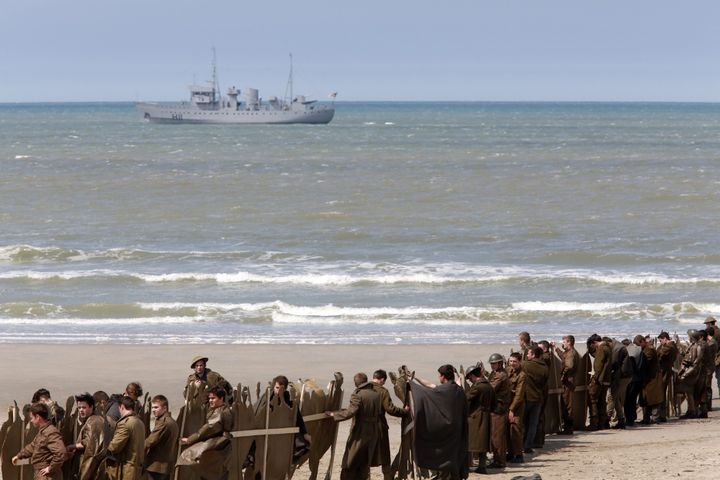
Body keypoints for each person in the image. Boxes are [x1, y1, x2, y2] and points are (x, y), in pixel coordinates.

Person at [326, 373, 382, 480]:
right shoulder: (376, 394)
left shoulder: (358, 394)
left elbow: (351, 412)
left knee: (351, 461)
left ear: (357, 383)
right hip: (373, 431)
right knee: (365, 461)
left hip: (360, 431)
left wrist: (334, 415)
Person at [180, 385, 233, 478]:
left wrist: (189, 440)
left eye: (213, 398)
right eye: (209, 398)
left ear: (221, 398)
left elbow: (208, 428)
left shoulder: (220, 413)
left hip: (218, 446)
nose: (210, 400)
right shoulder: (219, 409)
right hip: (219, 447)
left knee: (189, 456)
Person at [12, 403, 66, 480]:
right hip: (42, 474)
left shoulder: (51, 432)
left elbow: (61, 453)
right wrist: (19, 456)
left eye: (32, 418)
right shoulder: (43, 431)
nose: (31, 421)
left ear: (37, 417)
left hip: (48, 476)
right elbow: (32, 446)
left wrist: (50, 468)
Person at [371, 369, 408, 480]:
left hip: (363, 428)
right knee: (385, 456)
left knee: (365, 455)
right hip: (379, 427)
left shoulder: (362, 389)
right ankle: (388, 477)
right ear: (382, 379)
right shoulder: (383, 391)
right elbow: (390, 409)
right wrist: (404, 412)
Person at [66, 393, 107, 480]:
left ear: (91, 407)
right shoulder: (97, 419)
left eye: (84, 407)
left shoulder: (92, 422)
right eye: (79, 408)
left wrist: (72, 446)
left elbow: (88, 444)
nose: (81, 410)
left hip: (91, 466)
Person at [107, 396, 145, 480]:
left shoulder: (125, 423)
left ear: (122, 407)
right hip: (136, 468)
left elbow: (114, 447)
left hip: (127, 470)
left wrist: (102, 448)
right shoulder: (139, 422)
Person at [464, 362, 493, 474]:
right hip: (485, 415)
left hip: (475, 417)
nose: (469, 380)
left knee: (469, 442)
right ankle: (482, 466)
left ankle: (467, 466)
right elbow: (494, 402)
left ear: (472, 375)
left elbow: (467, 399)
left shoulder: (478, 387)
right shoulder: (488, 385)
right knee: (482, 443)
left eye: (469, 377)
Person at [144, 395, 179, 480]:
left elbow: (149, 442)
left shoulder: (163, 423)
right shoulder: (171, 421)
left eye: (156, 407)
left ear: (164, 408)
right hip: (165, 466)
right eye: (152, 407)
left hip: (157, 467)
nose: (153, 410)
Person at [521, 346, 548, 452]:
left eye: (528, 353)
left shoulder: (525, 365)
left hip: (527, 398)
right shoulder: (545, 367)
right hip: (538, 398)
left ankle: (521, 445)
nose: (527, 355)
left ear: (533, 355)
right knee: (533, 424)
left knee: (522, 423)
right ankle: (528, 446)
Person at [486, 353, 510, 470]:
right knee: (497, 435)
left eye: (494, 364)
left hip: (498, 408)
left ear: (500, 363)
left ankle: (499, 461)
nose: (492, 366)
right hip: (498, 407)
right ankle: (498, 459)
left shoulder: (501, 375)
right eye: (491, 364)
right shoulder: (497, 373)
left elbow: (491, 388)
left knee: (497, 436)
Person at [555, 335, 580, 434]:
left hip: (568, 382)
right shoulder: (570, 352)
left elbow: (569, 366)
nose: (563, 344)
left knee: (567, 405)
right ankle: (567, 427)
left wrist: (563, 375)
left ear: (569, 342)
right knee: (566, 403)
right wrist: (556, 349)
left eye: (564, 342)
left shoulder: (571, 353)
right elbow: (564, 357)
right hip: (569, 381)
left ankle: (568, 428)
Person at [587, 334, 611, 430]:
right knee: (601, 401)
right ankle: (602, 423)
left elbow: (598, 364)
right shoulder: (607, 348)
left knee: (592, 399)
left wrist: (595, 377)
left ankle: (594, 423)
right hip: (605, 379)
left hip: (599, 379)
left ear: (594, 342)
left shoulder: (601, 348)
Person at [677, 329, 702, 419]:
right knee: (688, 392)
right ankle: (691, 410)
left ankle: (692, 411)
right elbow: (687, 355)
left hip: (691, 372)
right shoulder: (692, 346)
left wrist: (685, 374)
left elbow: (695, 363)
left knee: (689, 392)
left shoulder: (697, 347)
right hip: (689, 371)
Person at [505, 352, 526, 463]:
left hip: (516, 406)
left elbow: (519, 395)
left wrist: (512, 410)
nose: (512, 364)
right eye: (511, 361)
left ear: (520, 362)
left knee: (515, 429)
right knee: (508, 430)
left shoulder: (522, 375)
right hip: (507, 404)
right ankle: (510, 453)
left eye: (514, 362)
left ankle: (519, 454)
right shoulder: (508, 370)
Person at [656, 332, 678, 422]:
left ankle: (662, 415)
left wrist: (659, 349)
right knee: (662, 392)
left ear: (665, 338)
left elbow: (658, 354)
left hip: (664, 371)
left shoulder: (669, 347)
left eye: (661, 340)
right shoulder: (671, 346)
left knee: (661, 392)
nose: (660, 342)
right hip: (665, 370)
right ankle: (662, 415)